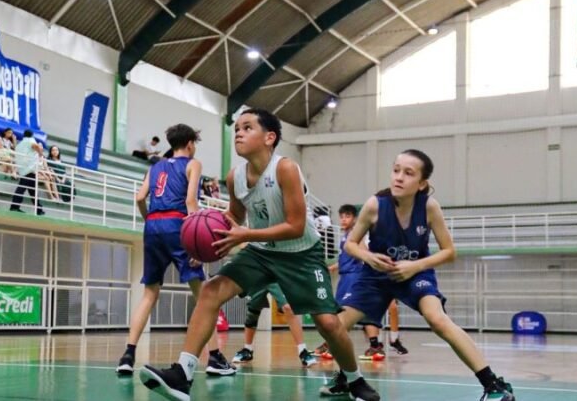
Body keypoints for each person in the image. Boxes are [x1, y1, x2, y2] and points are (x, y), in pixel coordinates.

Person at [139, 108, 379, 401]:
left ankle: (353, 379)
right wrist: (204, 243)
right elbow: (234, 216)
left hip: (301, 253)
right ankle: (182, 374)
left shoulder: (285, 169)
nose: (238, 132)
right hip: (262, 252)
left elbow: (295, 226)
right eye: (237, 127)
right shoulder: (234, 176)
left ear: (269, 137)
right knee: (210, 292)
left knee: (328, 323)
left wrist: (247, 235)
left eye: (247, 127)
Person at [322, 149, 515, 401]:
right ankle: (345, 377)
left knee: (438, 319)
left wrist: (415, 266)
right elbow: (350, 244)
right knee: (336, 325)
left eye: (408, 173)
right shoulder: (374, 205)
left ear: (422, 183)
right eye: (396, 170)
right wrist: (369, 257)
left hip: (415, 274)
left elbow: (449, 252)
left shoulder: (429, 207)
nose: (398, 177)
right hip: (375, 276)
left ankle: (493, 385)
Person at [115, 124, 235, 378]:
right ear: (190, 143)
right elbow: (191, 201)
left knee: (149, 293)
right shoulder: (193, 164)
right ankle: (214, 357)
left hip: (153, 226)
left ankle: (127, 355)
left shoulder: (155, 165)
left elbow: (139, 198)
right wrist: (194, 243)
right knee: (203, 295)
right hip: (178, 225)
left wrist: (150, 221)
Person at [315, 204, 409, 362]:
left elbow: (363, 253)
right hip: (346, 275)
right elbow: (348, 257)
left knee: (342, 312)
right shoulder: (346, 235)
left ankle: (332, 345)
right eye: (342, 216)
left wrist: (369, 261)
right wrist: (334, 266)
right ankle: (374, 346)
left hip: (354, 276)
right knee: (351, 312)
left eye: (348, 216)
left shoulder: (355, 235)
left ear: (355, 219)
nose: (344, 219)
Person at [232, 282, 317, 367]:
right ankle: (247, 350)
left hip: (277, 275)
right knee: (252, 311)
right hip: (260, 275)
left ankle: (302, 351)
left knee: (287, 308)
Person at [9, 130, 45, 215]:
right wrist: (40, 154)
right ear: (32, 135)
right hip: (30, 169)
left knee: (33, 191)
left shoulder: (19, 145)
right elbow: (36, 146)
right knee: (22, 189)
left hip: (23, 169)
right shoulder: (30, 140)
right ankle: (14, 207)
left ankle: (39, 210)